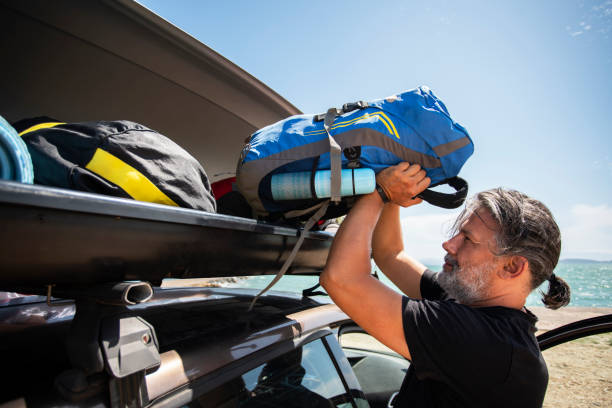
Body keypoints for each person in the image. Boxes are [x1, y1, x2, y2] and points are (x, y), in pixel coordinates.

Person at [320, 162, 571, 407]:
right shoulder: (470, 300)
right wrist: (391, 192)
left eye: (468, 239)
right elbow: (390, 254)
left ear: (512, 267)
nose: (449, 244)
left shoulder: (485, 343)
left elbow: (342, 279)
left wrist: (379, 193)